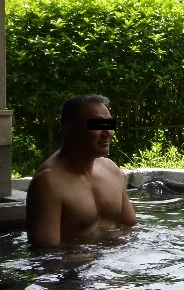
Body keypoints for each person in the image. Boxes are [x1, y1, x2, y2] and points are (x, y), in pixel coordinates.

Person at [26, 94, 137, 247]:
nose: (107, 132)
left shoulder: (111, 170)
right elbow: (46, 253)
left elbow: (130, 226)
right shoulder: (48, 183)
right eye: (97, 125)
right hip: (75, 262)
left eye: (109, 124)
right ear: (70, 130)